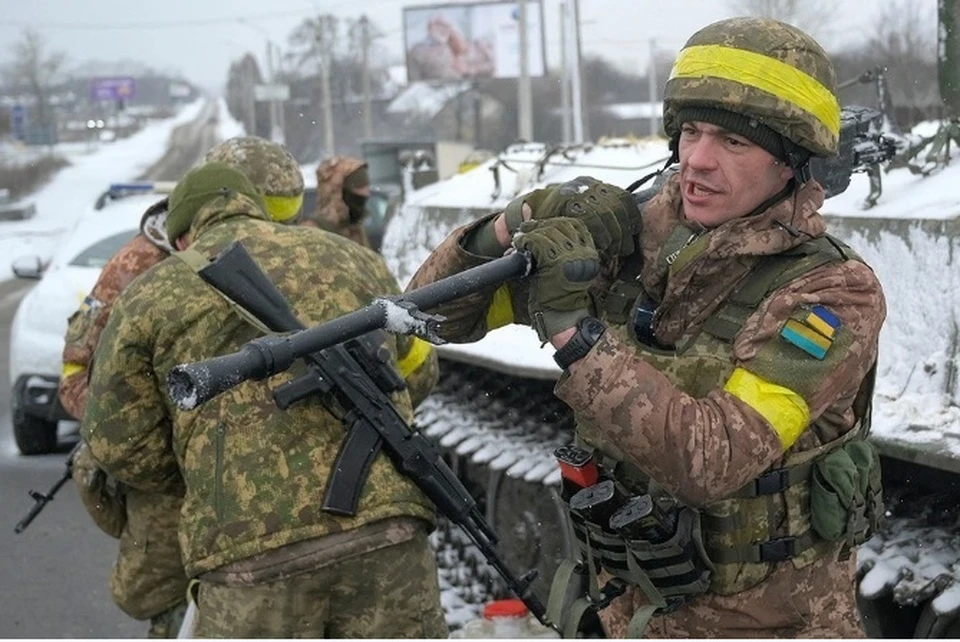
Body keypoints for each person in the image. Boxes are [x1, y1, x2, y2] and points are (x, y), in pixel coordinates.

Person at [407, 17, 884, 639]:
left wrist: (574, 334)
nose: (699, 161)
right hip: (626, 612)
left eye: (734, 143)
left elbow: (714, 460)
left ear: (791, 163)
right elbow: (432, 313)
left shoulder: (830, 293)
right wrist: (516, 220)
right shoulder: (629, 242)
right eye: (690, 132)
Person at [80, 162, 445, 638]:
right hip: (387, 533)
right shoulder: (355, 258)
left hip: (248, 556)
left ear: (184, 236)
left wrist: (206, 470)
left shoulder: (149, 293)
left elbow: (115, 440)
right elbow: (415, 374)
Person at [60, 135, 308, 638]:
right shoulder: (138, 267)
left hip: (264, 478)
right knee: (174, 604)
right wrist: (173, 450)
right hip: (173, 481)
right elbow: (78, 377)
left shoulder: (288, 254)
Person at [299, 156, 375, 249]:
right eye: (359, 188)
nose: (366, 194)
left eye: (366, 188)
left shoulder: (355, 229)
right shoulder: (312, 231)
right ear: (339, 193)